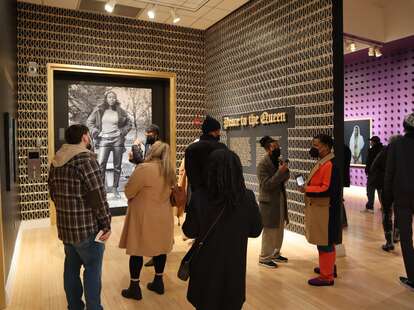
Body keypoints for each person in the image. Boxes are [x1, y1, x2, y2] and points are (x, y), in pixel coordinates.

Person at [183, 149, 262, 310]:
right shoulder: (247, 197)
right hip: (234, 267)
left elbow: (189, 231)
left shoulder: (199, 197)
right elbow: (255, 230)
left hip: (205, 267)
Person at [48, 124, 112, 310]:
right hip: (87, 230)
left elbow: (52, 193)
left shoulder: (56, 160)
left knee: (71, 269)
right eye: (89, 136)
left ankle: (74, 307)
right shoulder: (86, 159)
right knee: (92, 269)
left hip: (66, 229)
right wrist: (106, 224)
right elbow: (97, 196)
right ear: (85, 137)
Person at [119, 141, 176, 300]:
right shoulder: (169, 170)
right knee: (160, 249)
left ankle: (134, 287)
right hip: (163, 216)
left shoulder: (144, 169)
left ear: (152, 151)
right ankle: (158, 282)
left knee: (136, 250)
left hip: (143, 216)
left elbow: (129, 191)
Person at [299, 134, 342, 286]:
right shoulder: (324, 163)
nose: (313, 148)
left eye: (316, 145)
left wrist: (307, 189)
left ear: (325, 146)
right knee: (326, 240)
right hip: (323, 209)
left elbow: (326, 189)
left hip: (325, 210)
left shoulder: (329, 164)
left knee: (325, 242)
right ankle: (329, 268)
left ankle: (327, 276)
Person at [384, 113, 414, 290]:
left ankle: (412, 276)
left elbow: (389, 173)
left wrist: (387, 199)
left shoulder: (396, 144)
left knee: (405, 238)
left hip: (402, 196)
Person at [87, 91, 132, 198]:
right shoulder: (99, 110)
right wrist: (97, 133)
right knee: (101, 164)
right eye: (109, 97)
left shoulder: (120, 111)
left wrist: (122, 132)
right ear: (106, 98)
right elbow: (89, 122)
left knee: (117, 165)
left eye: (114, 97)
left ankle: (115, 189)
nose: (112, 99)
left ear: (116, 99)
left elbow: (129, 123)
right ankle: (102, 189)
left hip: (117, 140)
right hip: (104, 140)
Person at [256, 136, 289, 268]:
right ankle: (264, 257)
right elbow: (266, 185)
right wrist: (280, 173)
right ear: (268, 149)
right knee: (269, 230)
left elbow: (285, 177)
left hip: (280, 199)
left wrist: (284, 171)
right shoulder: (262, 165)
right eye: (275, 147)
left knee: (279, 228)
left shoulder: (278, 160)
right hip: (268, 202)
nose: (278, 149)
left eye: (278, 146)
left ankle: (275, 253)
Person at [370, 135, 402, 251]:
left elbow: (374, 166)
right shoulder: (404, 154)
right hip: (400, 188)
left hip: (386, 187)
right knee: (399, 211)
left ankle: (389, 242)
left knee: (387, 212)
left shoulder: (385, 152)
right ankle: (397, 235)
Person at [185, 115, 227, 193]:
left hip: (198, 194)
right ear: (213, 131)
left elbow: (190, 174)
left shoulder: (191, 149)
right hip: (218, 194)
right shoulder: (222, 148)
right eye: (218, 131)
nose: (219, 133)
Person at [363, 136, 384, 213]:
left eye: (371, 141)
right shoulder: (383, 150)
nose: (370, 142)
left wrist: (367, 170)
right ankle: (384, 206)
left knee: (370, 190)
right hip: (381, 174)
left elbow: (369, 162)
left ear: (374, 142)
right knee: (380, 191)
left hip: (373, 174)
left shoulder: (371, 151)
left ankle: (370, 207)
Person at [342, 144, 352, 227]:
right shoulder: (347, 149)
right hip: (343, 177)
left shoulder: (341, 149)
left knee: (338, 199)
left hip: (340, 178)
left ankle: (342, 221)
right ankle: (343, 221)